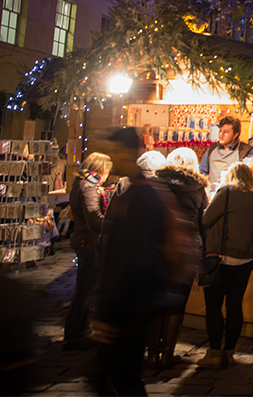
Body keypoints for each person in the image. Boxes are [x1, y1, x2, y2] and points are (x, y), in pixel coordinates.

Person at [94, 128, 192, 395]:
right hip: (132, 302)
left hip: (130, 305)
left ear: (129, 152)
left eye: (114, 153)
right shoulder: (139, 191)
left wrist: (109, 311)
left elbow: (133, 257)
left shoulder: (141, 196)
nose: (111, 160)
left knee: (122, 380)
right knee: (116, 379)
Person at [198, 162, 253, 369]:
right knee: (234, 305)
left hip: (222, 257)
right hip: (247, 258)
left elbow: (206, 219)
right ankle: (229, 353)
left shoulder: (226, 193)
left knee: (213, 306)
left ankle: (214, 353)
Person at [150, 147, 209, 368]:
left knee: (156, 302)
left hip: (161, 246)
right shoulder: (198, 188)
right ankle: (167, 353)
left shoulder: (157, 183)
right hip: (188, 248)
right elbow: (204, 223)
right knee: (177, 304)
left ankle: (153, 353)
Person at [63, 152, 112, 351]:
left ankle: (83, 330)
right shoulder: (89, 187)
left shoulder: (81, 183)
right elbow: (94, 217)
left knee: (83, 289)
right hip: (88, 242)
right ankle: (73, 335)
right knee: (84, 291)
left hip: (83, 240)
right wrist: (114, 224)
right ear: (101, 169)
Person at [199, 116, 253, 187]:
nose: (221, 135)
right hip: (213, 196)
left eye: (226, 132)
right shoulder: (212, 149)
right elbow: (201, 173)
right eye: (220, 131)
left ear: (235, 134)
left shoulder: (247, 151)